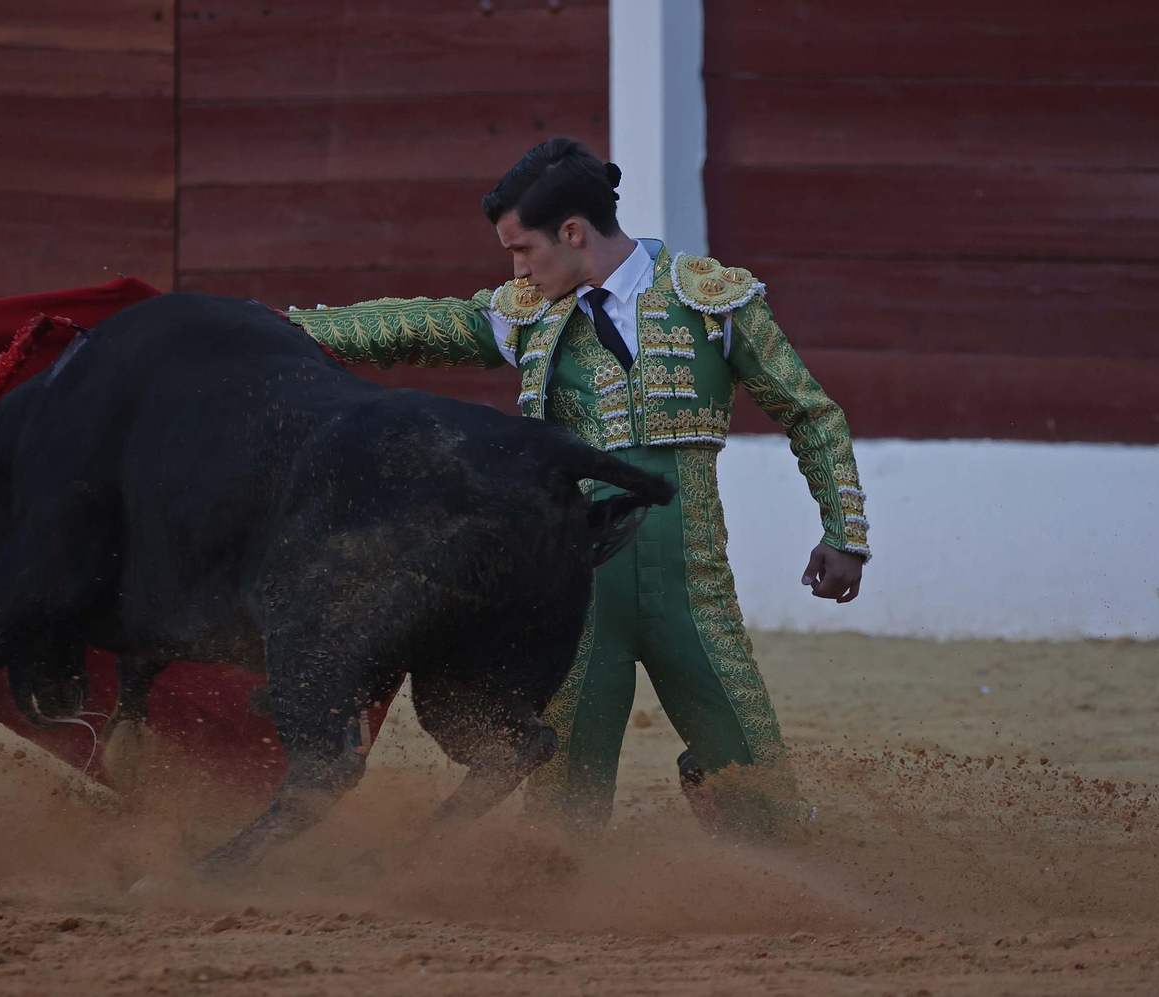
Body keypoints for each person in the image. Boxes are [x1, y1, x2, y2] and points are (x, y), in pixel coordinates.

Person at [285, 138, 868, 839]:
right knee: (563, 825)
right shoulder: (531, 312)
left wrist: (845, 533)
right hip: (577, 600)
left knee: (770, 805)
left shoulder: (709, 299)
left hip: (693, 593)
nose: (517, 269)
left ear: (572, 232)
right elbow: (420, 326)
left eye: (522, 249)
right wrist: (287, 329)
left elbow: (810, 411)